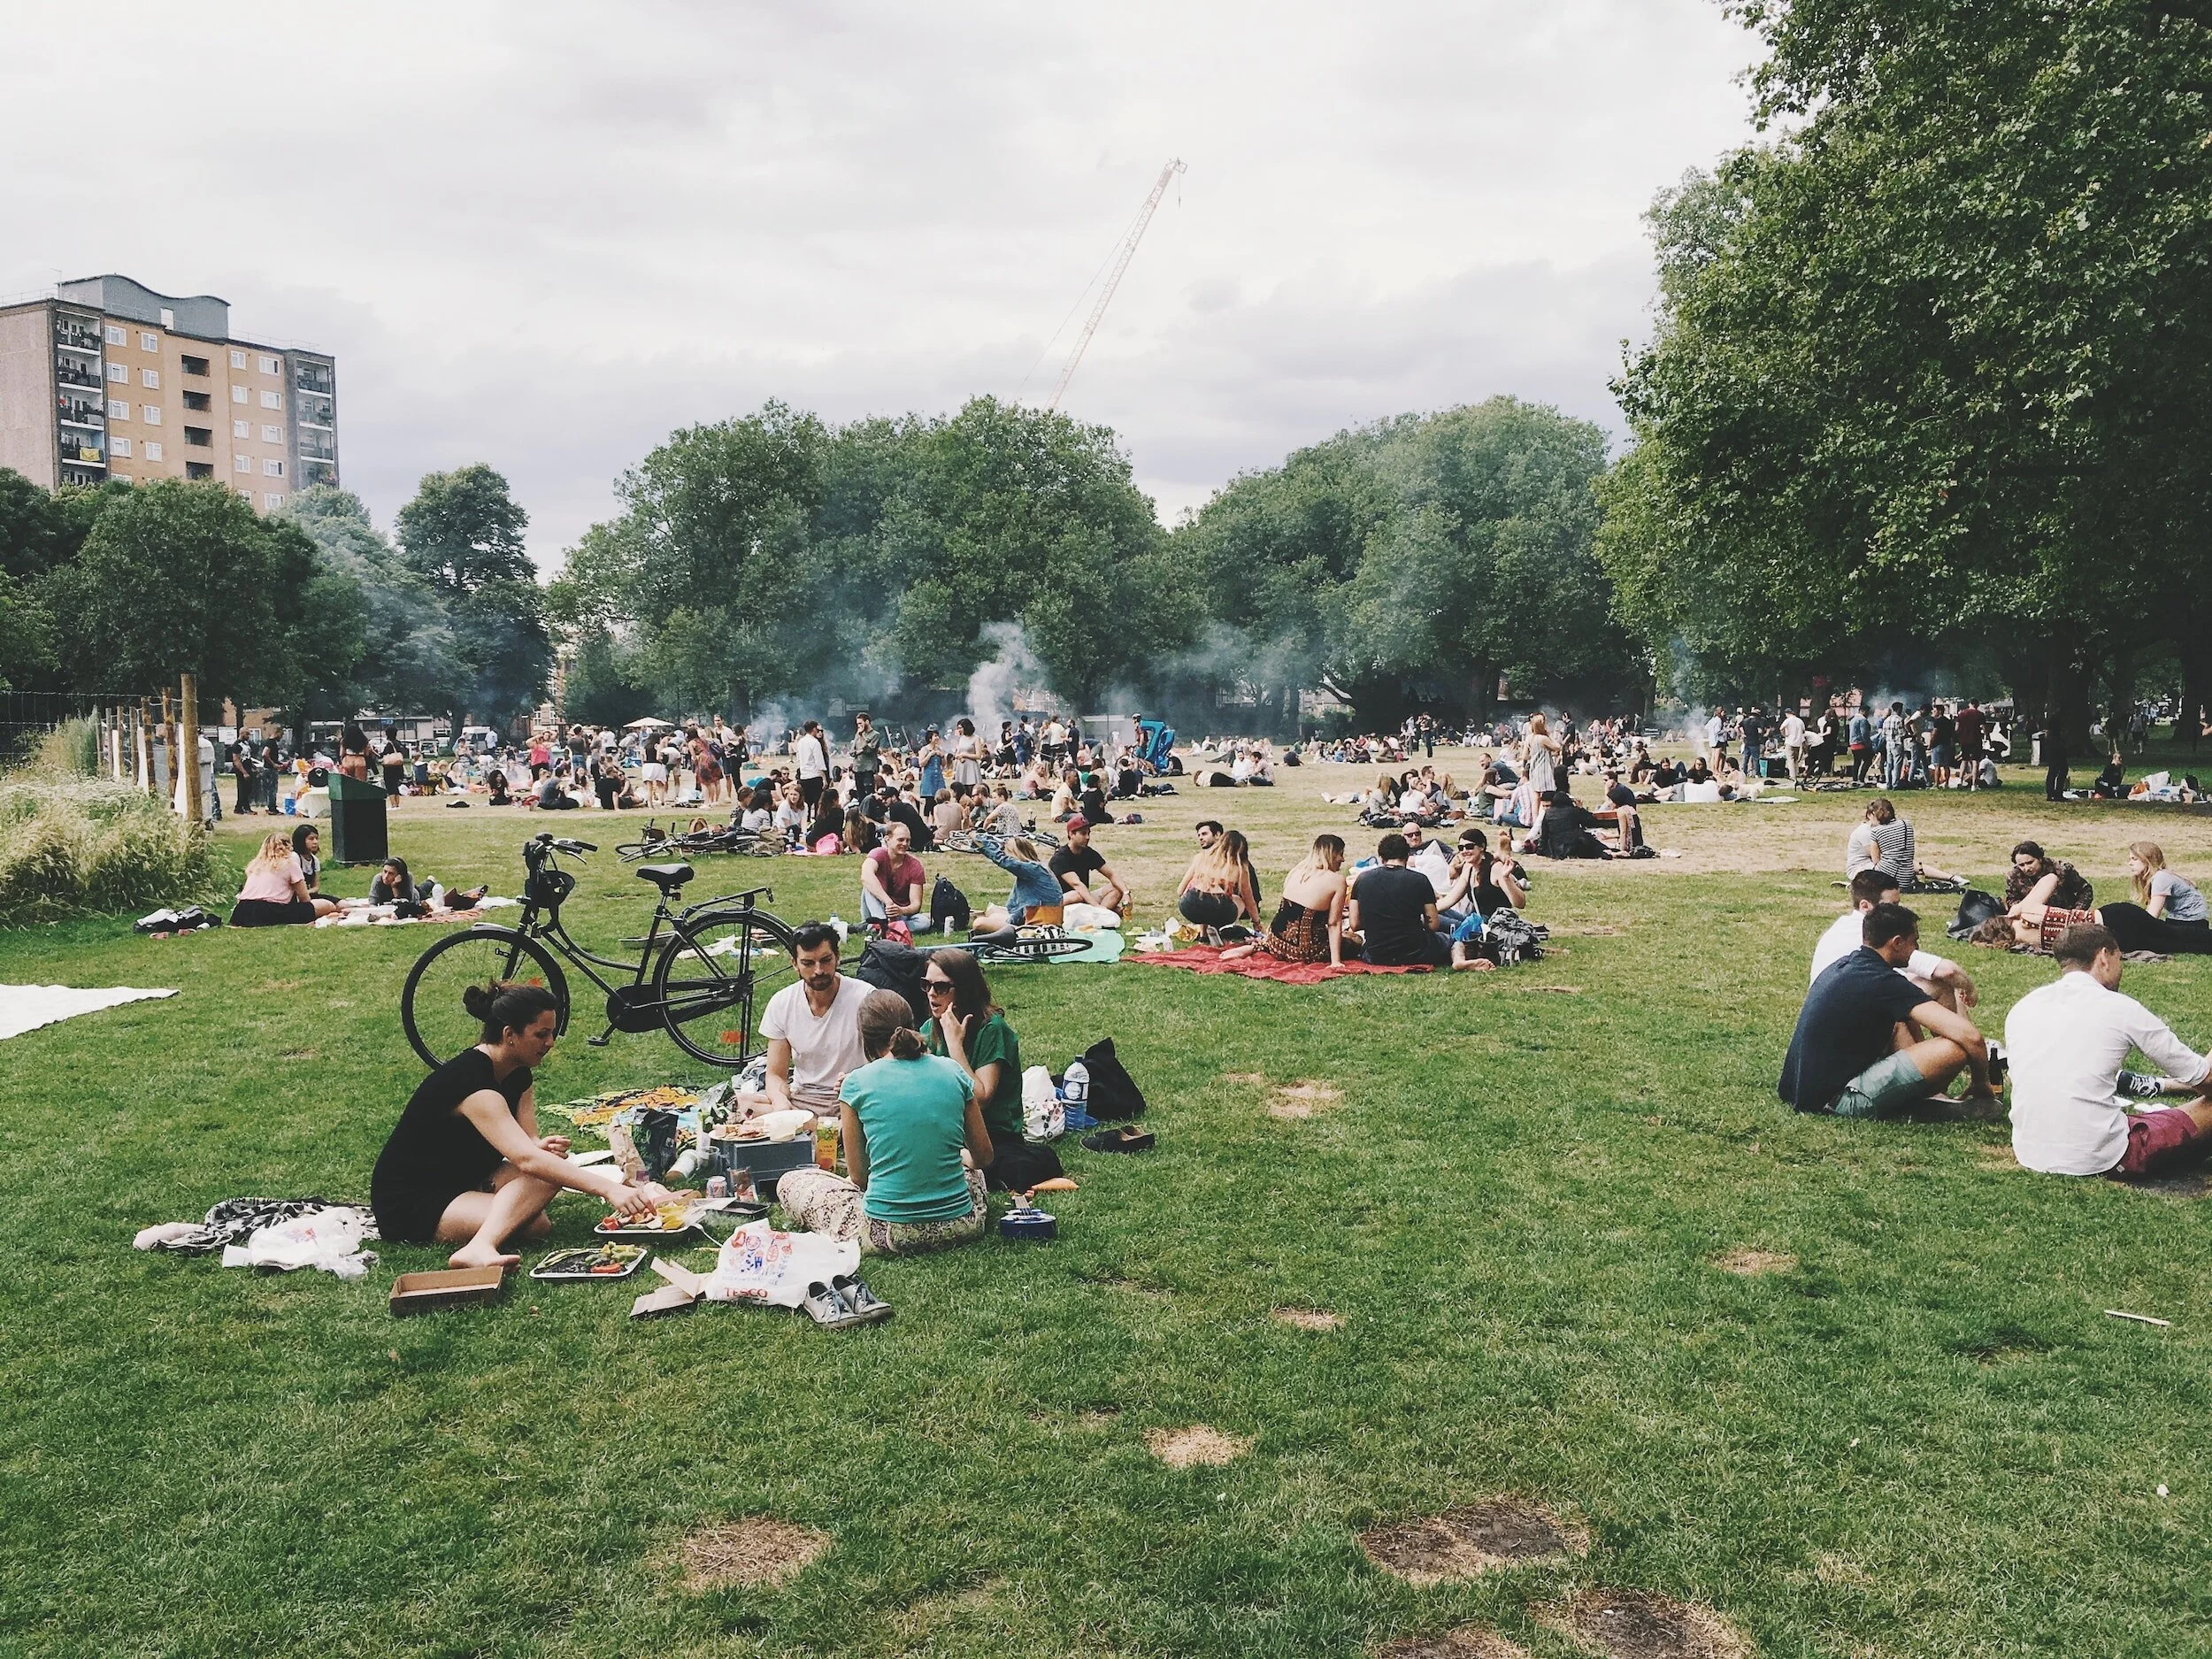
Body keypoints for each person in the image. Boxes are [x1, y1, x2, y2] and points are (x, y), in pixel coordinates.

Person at [371, 981, 675, 1267]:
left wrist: (539, 1146)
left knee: (547, 1179)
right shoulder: (473, 1084)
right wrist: (610, 1190)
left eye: (551, 1033)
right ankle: (478, 1248)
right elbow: (525, 1159)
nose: (550, 1042)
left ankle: (488, 1220)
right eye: (541, 1034)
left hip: (465, 1179)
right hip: (413, 1200)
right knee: (535, 1220)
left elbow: (529, 1145)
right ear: (509, 1034)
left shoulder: (518, 1074)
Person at [775, 989, 993, 1255]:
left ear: (864, 1037)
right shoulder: (954, 1071)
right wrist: (963, 1158)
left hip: (888, 1231)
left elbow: (859, 1178)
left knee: (791, 1182)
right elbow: (983, 1157)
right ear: (912, 1025)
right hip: (960, 1224)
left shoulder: (855, 1083)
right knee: (973, 1175)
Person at [2005, 922, 2212, 1179]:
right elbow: (2206, 1081)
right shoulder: (2121, 1009)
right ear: (2104, 957)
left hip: (2029, 1150)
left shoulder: (2024, 1006)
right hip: (2099, 1157)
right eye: (2120, 958)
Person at [1778, 902, 1995, 1116]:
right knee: (1955, 1048)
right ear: (1897, 943)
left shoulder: (1848, 965)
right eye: (1914, 941)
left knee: (1899, 1022)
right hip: (1836, 1099)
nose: (1917, 949)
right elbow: (1971, 1037)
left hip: (1800, 1089)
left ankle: (1928, 1092)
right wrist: (1981, 1082)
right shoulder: (1883, 981)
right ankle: (1923, 1098)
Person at [918, 949, 1057, 1189]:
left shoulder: (992, 1029)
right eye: (926, 985)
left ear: (963, 988)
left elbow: (981, 1098)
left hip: (992, 1135)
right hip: (947, 1131)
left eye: (941, 987)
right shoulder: (929, 1027)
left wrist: (955, 1047)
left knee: (1011, 1167)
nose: (931, 994)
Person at [744, 923, 870, 1118]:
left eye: (826, 960)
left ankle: (819, 1128)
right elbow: (776, 1074)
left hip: (852, 1097)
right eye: (808, 963)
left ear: (837, 956)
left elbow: (886, 1062)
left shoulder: (865, 997)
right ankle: (818, 1127)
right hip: (803, 1099)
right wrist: (780, 1102)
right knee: (746, 1106)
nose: (818, 970)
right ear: (794, 963)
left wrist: (856, 1083)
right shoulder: (782, 1003)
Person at [1812, 869, 1978, 1010]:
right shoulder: (1874, 933)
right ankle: (1961, 1044)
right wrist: (1970, 988)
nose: (1897, 911)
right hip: (1849, 1009)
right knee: (1941, 983)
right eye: (1891, 905)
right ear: (1865, 906)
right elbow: (1947, 971)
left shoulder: (1843, 926)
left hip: (1829, 1005)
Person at [1219, 833, 1349, 967]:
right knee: (1353, 941)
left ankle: (1256, 947)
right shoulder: (1337, 881)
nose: (1343, 859)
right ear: (1331, 854)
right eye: (1341, 854)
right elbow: (1333, 923)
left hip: (1275, 943)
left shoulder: (1298, 870)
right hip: (1304, 952)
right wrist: (1336, 962)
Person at [1346, 833, 1448, 967]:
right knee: (1451, 941)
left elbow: (1355, 924)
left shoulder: (1362, 880)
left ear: (1381, 859)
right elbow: (1433, 925)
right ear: (1407, 856)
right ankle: (1460, 960)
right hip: (1415, 952)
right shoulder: (1420, 880)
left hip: (1376, 954)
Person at [229, 832, 338, 926]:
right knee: (326, 905)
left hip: (241, 911)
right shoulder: (290, 864)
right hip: (271, 910)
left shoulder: (255, 865)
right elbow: (305, 899)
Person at [974, 834, 1065, 931]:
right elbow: (1020, 912)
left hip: (1039, 928)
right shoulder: (1037, 869)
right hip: (1031, 921)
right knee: (993, 911)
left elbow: (1003, 860)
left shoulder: (1034, 870)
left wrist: (978, 839)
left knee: (979, 923)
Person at [1176, 828, 1261, 933]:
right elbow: (1249, 901)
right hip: (1219, 910)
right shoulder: (1239, 869)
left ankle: (1204, 934)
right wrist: (1256, 922)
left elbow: (1180, 890)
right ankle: (1216, 928)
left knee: (1202, 892)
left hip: (1189, 906)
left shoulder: (1201, 857)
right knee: (1238, 900)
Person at [1048, 817, 1129, 914]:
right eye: (1083, 833)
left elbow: (1111, 874)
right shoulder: (1060, 858)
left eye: (1088, 833)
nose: (1087, 837)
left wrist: (1126, 893)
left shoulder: (1088, 852)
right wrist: (1096, 905)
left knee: (1116, 888)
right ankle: (1101, 913)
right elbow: (1076, 884)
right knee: (1076, 895)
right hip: (1061, 900)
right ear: (1071, 834)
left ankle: (1098, 915)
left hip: (1083, 897)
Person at [862, 821, 926, 933]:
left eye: (908, 840)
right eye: (900, 840)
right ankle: (882, 923)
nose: (905, 844)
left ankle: (881, 928)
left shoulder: (915, 866)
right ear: (887, 839)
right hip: (877, 909)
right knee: (869, 886)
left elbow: (916, 905)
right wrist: (888, 902)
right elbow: (865, 876)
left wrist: (900, 910)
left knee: (923, 922)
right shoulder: (878, 854)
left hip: (900, 915)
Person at [370, 856, 488, 913]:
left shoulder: (408, 878)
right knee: (422, 888)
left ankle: (431, 882)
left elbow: (409, 902)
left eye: (391, 873)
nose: (386, 876)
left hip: (416, 895)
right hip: (404, 897)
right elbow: (373, 902)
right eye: (385, 872)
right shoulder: (378, 880)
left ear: (399, 875)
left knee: (423, 894)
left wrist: (395, 886)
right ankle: (430, 881)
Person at [2130, 841, 2206, 927]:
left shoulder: (2161, 878)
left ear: (2147, 860)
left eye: (2134, 859)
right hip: (2181, 919)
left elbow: (2152, 916)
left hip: (2190, 923)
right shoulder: (2160, 876)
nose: (2130, 863)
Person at [2004, 841, 2094, 911]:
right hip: (2032, 918)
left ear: (2040, 858)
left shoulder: (2062, 869)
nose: (2027, 868)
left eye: (2030, 863)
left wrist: (2076, 912)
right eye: (2021, 865)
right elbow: (2012, 900)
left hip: (2065, 914)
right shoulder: (2014, 876)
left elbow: (2085, 890)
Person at [795, 719, 829, 813]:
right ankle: (818, 820)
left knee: (806, 803)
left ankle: (806, 819)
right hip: (814, 776)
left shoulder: (800, 742)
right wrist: (824, 778)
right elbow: (819, 762)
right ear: (814, 729)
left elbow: (799, 759)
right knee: (818, 802)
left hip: (804, 776)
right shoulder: (815, 742)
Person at [849, 710, 882, 801]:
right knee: (860, 793)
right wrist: (860, 751)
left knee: (869, 792)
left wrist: (862, 736)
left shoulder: (875, 735)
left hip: (868, 767)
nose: (859, 725)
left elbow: (869, 750)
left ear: (867, 722)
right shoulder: (857, 734)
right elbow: (852, 751)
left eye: (860, 723)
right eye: (857, 723)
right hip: (857, 767)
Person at [1779, 707, 1807, 782]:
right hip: (1798, 742)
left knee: (1790, 759)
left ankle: (1793, 775)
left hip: (1789, 741)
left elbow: (1781, 728)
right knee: (1796, 759)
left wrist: (1784, 735)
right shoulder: (1800, 721)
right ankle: (1796, 772)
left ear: (1787, 714)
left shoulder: (1788, 720)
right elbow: (1803, 731)